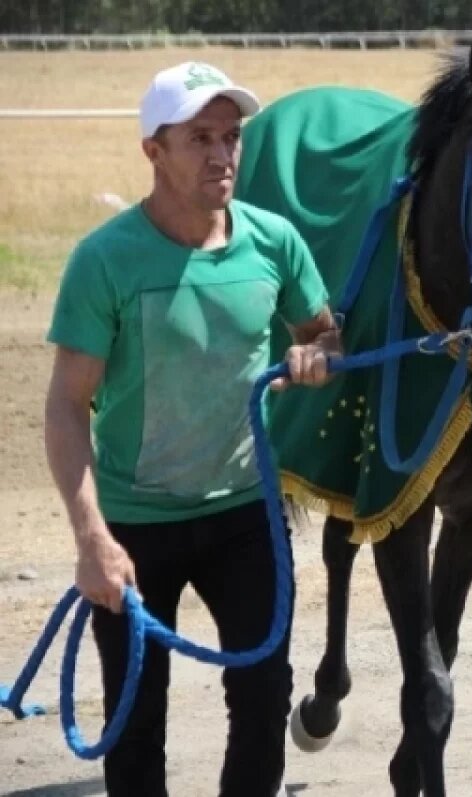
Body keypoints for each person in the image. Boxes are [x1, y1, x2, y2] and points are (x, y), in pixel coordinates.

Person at [44, 61, 340, 797]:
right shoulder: (104, 261)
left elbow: (323, 331)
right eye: (200, 138)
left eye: (231, 137)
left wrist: (317, 355)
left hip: (246, 517)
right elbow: (65, 407)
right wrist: (92, 541)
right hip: (135, 526)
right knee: (136, 719)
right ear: (154, 150)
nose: (222, 154)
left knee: (264, 700)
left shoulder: (274, 242)